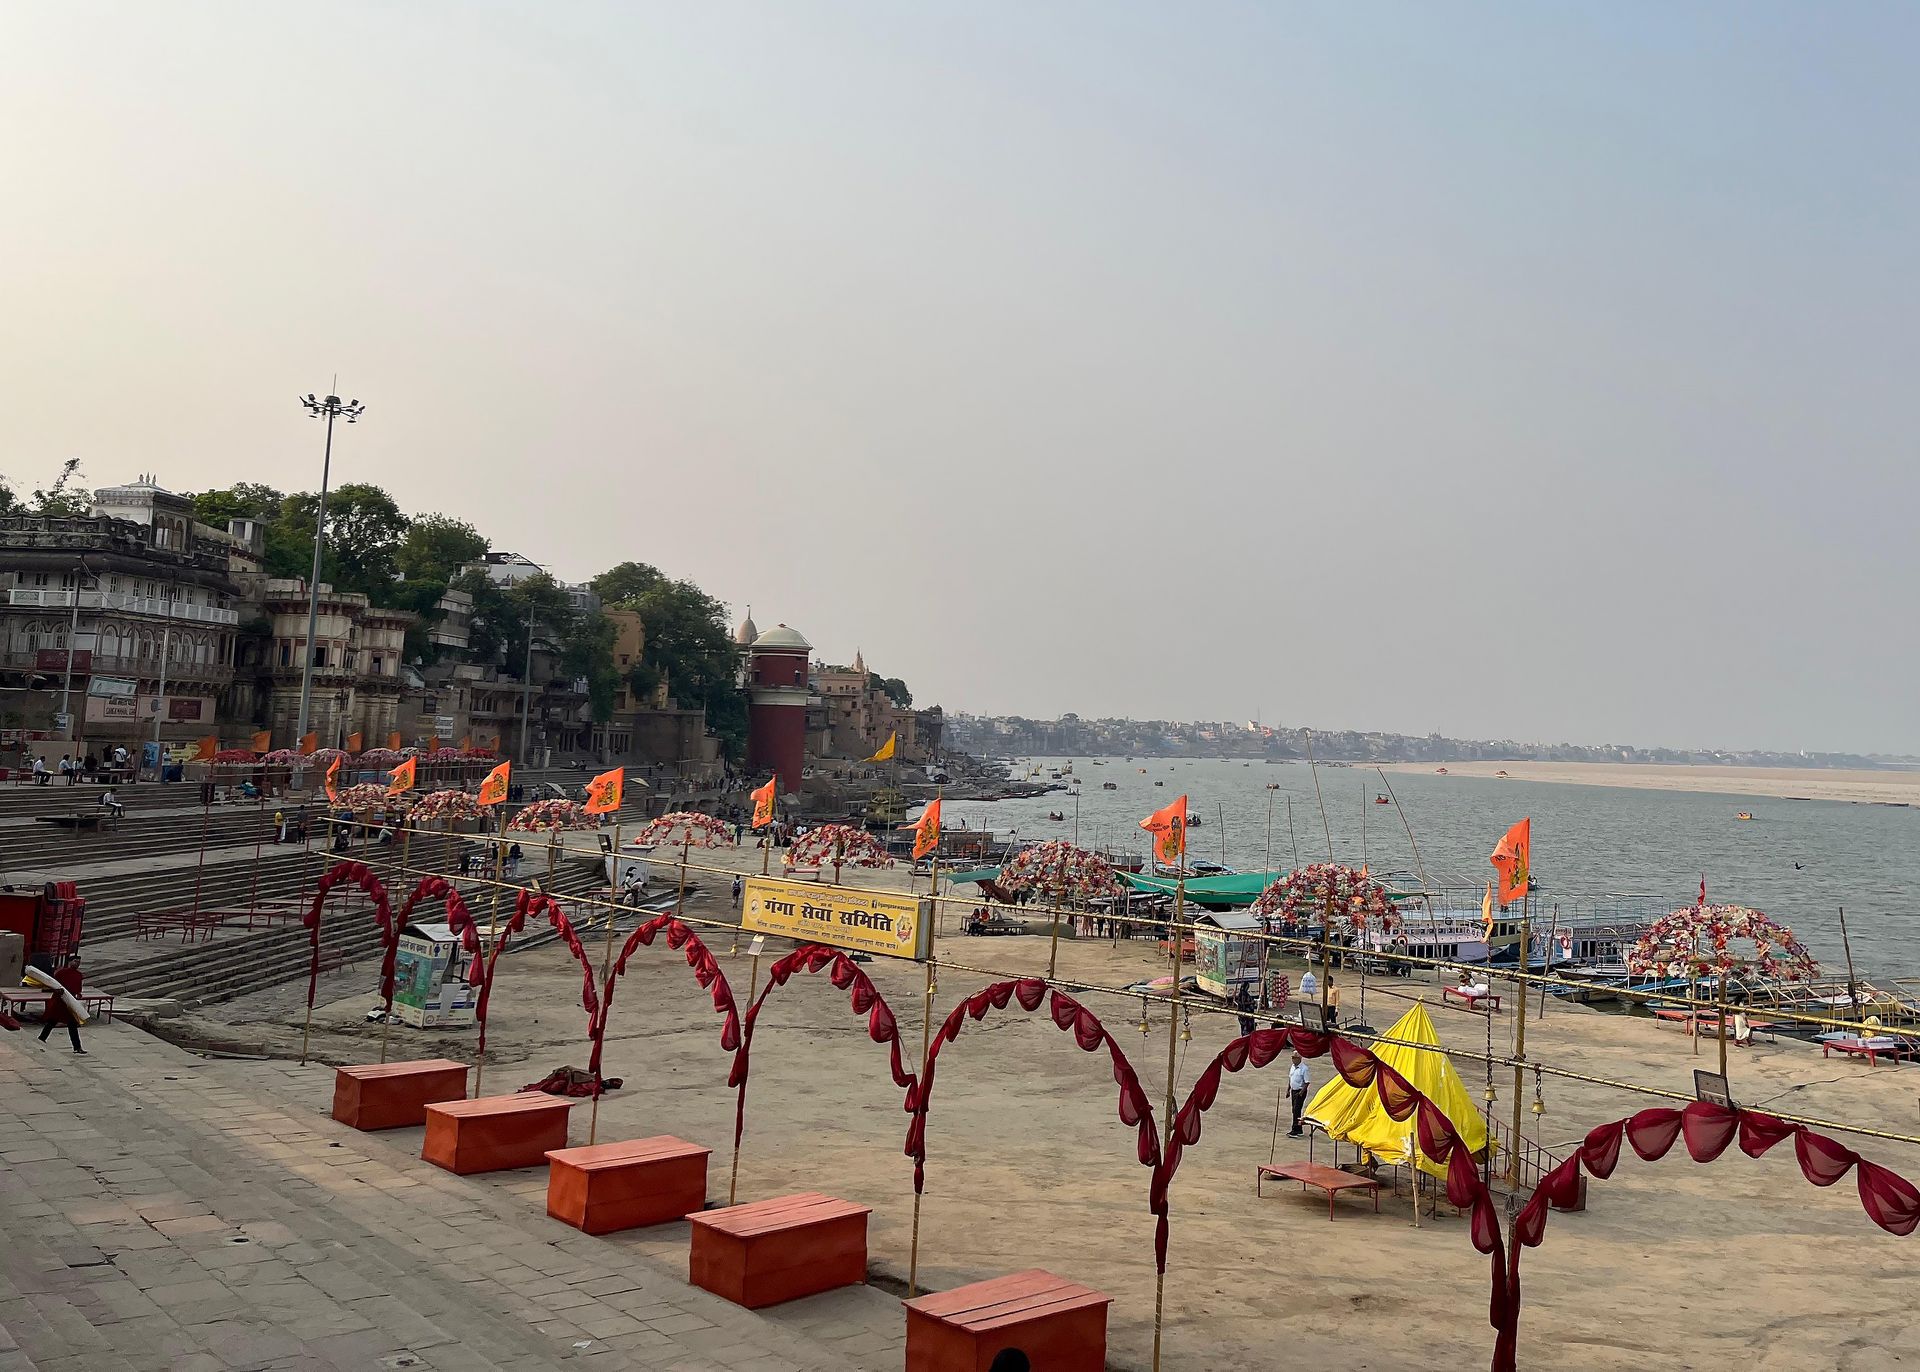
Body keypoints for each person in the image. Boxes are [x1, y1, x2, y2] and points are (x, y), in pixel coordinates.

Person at [38, 961, 87, 1054]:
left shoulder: (79, 975)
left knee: (72, 1024)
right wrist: (57, 991)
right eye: (74, 961)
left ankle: (77, 1047)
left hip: (70, 1002)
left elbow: (78, 988)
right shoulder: (61, 973)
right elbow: (53, 984)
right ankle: (41, 1039)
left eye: (78, 962)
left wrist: (78, 994)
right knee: (52, 1022)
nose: (76, 963)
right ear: (70, 962)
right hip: (60, 1002)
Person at [1287, 1051, 1310, 1137]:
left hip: (1300, 1091)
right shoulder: (1292, 1067)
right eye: (1292, 1058)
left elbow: (1307, 1082)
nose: (1293, 1060)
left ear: (1299, 1059)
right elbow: (1290, 1079)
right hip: (1293, 1090)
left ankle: (1295, 1129)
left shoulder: (1304, 1068)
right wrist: (1288, 1090)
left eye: (1295, 1058)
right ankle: (1299, 1129)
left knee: (1297, 1110)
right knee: (1294, 1110)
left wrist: (1301, 1093)